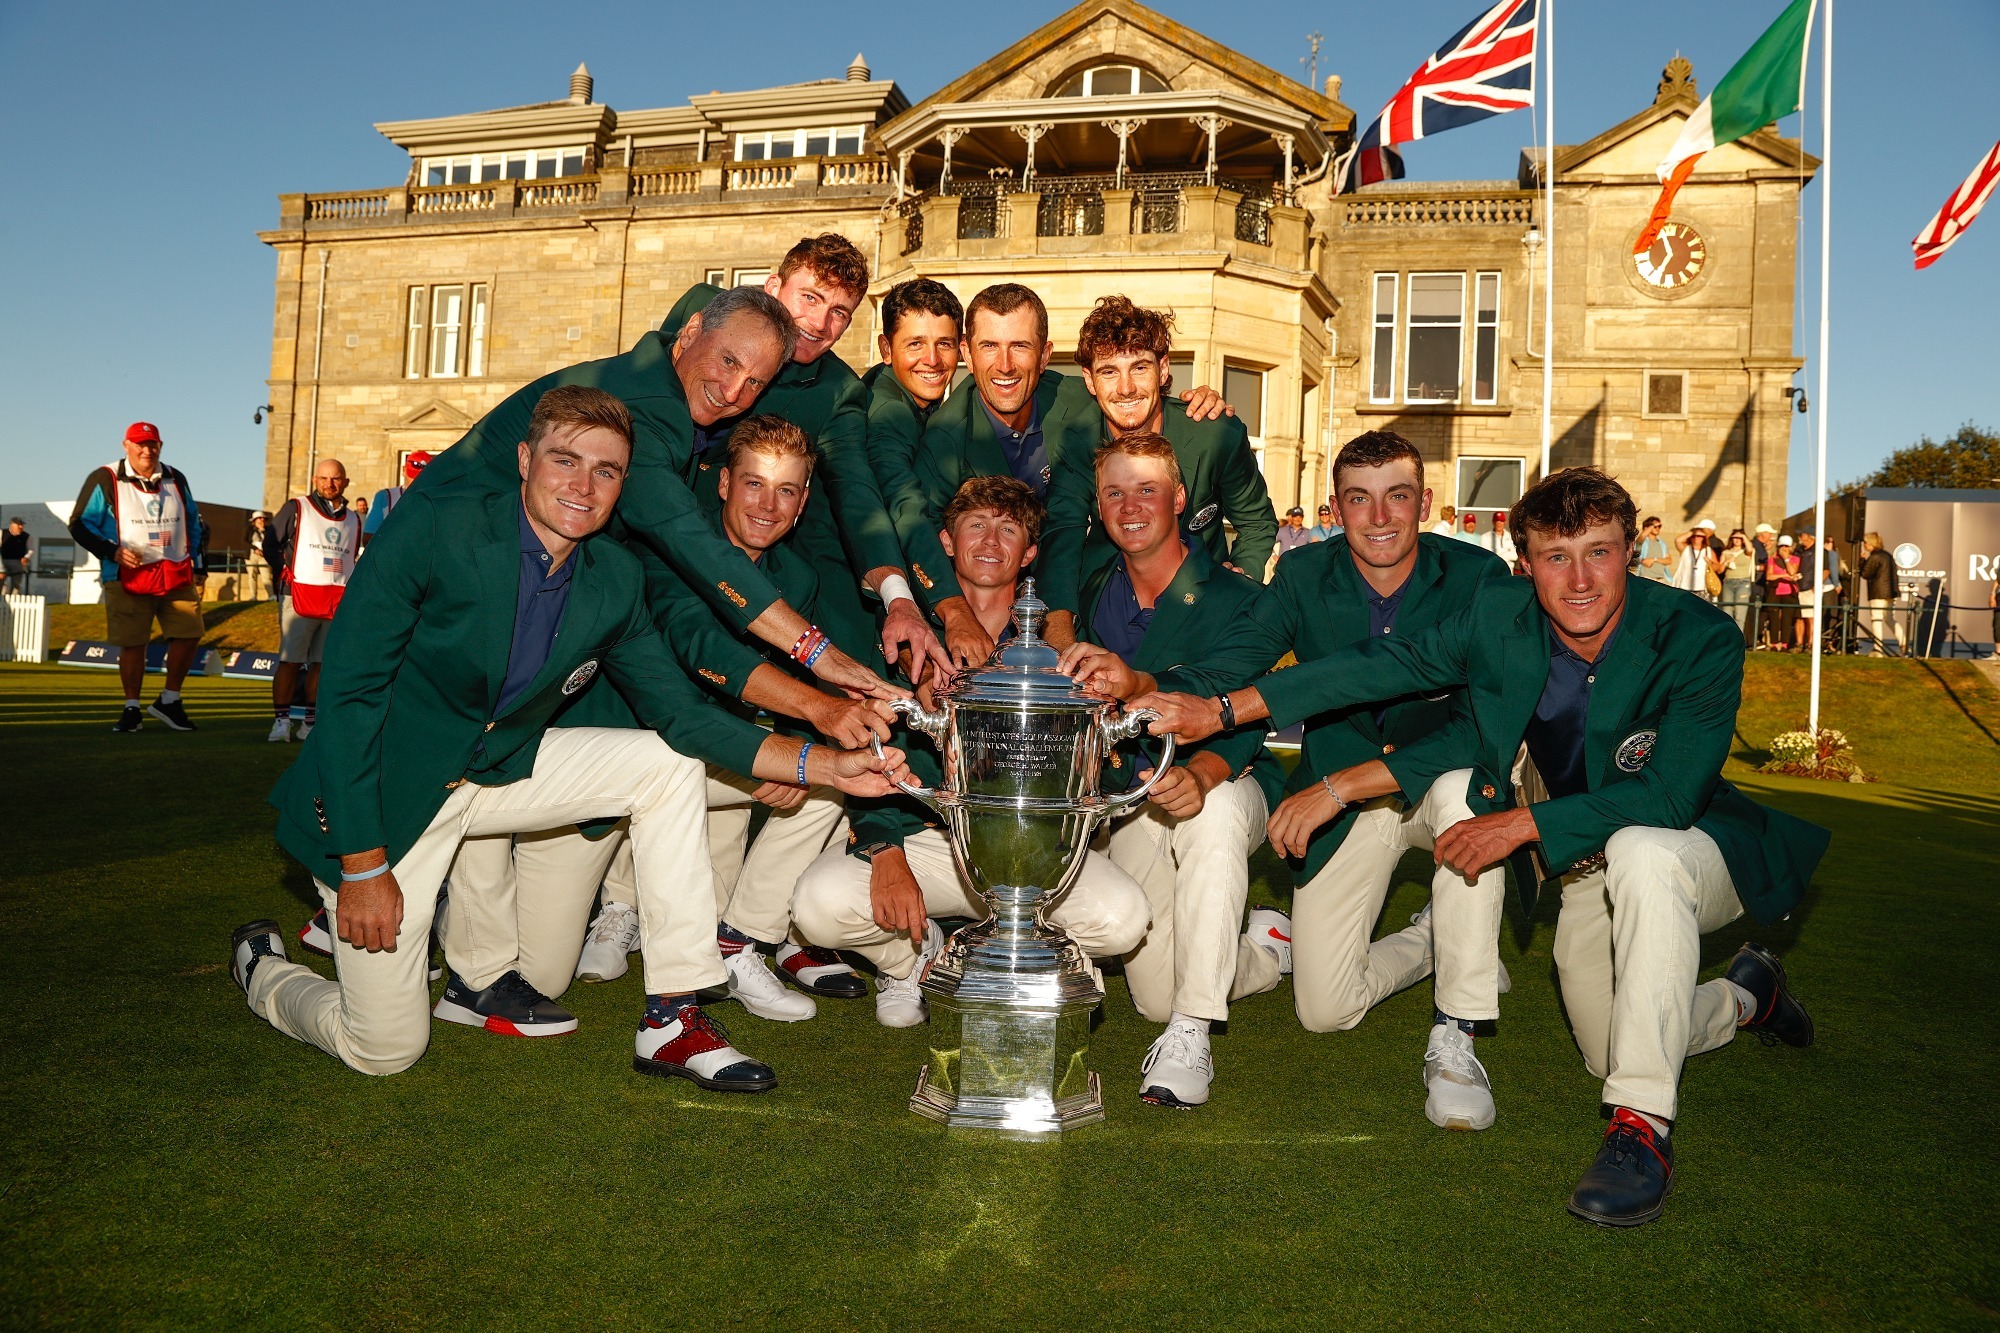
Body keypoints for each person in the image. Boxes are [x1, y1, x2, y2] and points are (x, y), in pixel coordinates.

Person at [1131, 466, 1827, 1227]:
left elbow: (1667, 797)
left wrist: (1521, 825)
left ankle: (1641, 1130)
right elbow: (1380, 666)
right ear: (1524, 561)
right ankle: (1749, 994)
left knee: (1645, 852)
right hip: (1585, 863)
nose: (1581, 578)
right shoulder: (1501, 615)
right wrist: (1224, 708)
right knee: (1608, 1045)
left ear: (1632, 548)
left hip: (1694, 845)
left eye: (1599, 550)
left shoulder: (1699, 635)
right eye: (1556, 556)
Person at [229, 386, 905, 1086]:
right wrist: (365, 865)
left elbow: (682, 717)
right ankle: (265, 971)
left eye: (607, 471)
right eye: (565, 460)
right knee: (386, 1048)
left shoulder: (613, 574)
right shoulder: (437, 526)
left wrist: (826, 765)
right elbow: (348, 697)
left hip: (495, 772)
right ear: (525, 459)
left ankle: (671, 1016)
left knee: (664, 765)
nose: (584, 485)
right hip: (384, 798)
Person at [1074, 429, 1512, 1129]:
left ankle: (1457, 1029)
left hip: (1425, 780)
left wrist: (1339, 784)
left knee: (1467, 791)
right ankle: (1435, 940)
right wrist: (1148, 682)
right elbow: (1237, 661)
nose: (1379, 517)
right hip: (1346, 804)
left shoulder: (1481, 580)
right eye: (1359, 500)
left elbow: (1485, 728)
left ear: (1425, 502)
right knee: (1325, 1007)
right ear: (1334, 509)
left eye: (1397, 497)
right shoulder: (1305, 576)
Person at [412, 283, 902, 709]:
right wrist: (816, 652)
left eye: (754, 381)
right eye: (728, 361)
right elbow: (686, 535)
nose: (733, 392)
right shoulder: (649, 409)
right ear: (690, 332)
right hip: (443, 584)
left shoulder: (658, 387)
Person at [792, 476, 1151, 1029]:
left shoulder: (1053, 648)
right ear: (946, 542)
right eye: (975, 526)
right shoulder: (905, 633)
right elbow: (868, 748)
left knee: (1124, 920)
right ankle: (914, 958)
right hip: (927, 839)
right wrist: (885, 852)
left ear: (1029, 553)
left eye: (1008, 530)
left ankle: (1019, 966)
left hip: (1029, 849)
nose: (989, 542)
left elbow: (1102, 758)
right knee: (818, 905)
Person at [1054, 432, 1289, 1107]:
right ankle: (1265, 950)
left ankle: (1193, 1034)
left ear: (1180, 498)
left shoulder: (1237, 595)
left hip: (1228, 772)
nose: (1131, 506)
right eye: (1115, 492)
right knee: (1155, 993)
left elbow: (1239, 694)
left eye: (1147, 488)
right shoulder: (1092, 587)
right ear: (1098, 507)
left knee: (1211, 815)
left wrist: (1208, 769)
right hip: (1134, 792)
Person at [657, 237, 952, 684]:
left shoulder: (839, 391)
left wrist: (898, 599)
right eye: (810, 298)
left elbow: (857, 495)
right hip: (647, 527)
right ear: (774, 285)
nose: (818, 322)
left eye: (839, 312)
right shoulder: (706, 310)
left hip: (743, 562)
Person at [1072, 295, 1277, 582]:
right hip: (1108, 601)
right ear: (1089, 380)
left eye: (1140, 368)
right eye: (1109, 372)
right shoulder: (1072, 441)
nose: (1126, 388)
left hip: (1201, 601)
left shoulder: (1214, 435)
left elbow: (1256, 521)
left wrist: (1239, 577)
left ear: (1164, 368)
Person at [863, 278, 995, 668]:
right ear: (887, 348)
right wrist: (954, 610)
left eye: (945, 343)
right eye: (915, 343)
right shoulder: (889, 412)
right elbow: (906, 509)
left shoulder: (920, 404)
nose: (933, 360)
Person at [67, 422, 207, 732]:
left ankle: (169, 700)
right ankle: (131, 707)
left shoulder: (175, 476)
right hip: (125, 573)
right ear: (126, 445)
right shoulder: (105, 477)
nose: (147, 450)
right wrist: (111, 551)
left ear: (161, 445)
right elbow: (78, 524)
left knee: (189, 632)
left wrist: (197, 563)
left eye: (152, 444)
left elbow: (193, 521)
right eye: (140, 444)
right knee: (133, 643)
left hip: (174, 570)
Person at [262, 459, 359, 742]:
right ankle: (281, 721)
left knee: (322, 664)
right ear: (315, 480)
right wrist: (282, 571)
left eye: (336, 478)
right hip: (299, 595)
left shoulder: (353, 518)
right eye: (324, 478)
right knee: (289, 661)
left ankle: (310, 723)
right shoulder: (297, 507)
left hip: (335, 600)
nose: (330, 484)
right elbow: (271, 543)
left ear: (345, 481)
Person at [1857, 533, 1903, 656]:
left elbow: (1865, 574)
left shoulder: (1875, 556)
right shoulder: (1888, 555)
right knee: (1890, 619)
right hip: (1890, 592)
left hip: (1878, 592)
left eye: (1865, 542)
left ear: (1871, 543)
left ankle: (1878, 649)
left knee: (1876, 619)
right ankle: (1903, 642)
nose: (1864, 545)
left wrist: (1862, 561)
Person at [1763, 535, 1802, 650]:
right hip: (1775, 591)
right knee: (1774, 618)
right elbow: (1769, 576)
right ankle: (1774, 643)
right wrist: (1784, 575)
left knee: (1787, 618)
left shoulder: (1795, 559)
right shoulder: (1772, 559)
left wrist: (1786, 559)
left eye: (1786, 546)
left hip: (1789, 592)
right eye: (1782, 546)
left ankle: (1785, 643)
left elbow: (1793, 571)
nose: (1784, 548)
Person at [1718, 529, 1757, 633]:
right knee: (1727, 612)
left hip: (1743, 582)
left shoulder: (1746, 552)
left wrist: (1743, 536)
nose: (1737, 540)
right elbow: (1719, 569)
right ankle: (1727, 637)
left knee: (1740, 612)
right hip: (1728, 582)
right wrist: (1726, 562)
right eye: (1735, 537)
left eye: (1739, 538)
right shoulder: (1726, 552)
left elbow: (1750, 548)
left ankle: (1738, 638)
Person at [1670, 520, 1720, 601]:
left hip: (1701, 588)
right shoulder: (1685, 548)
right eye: (1694, 536)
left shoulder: (1708, 550)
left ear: (1704, 538)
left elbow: (1717, 566)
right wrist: (1694, 530)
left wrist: (1709, 563)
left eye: (1700, 536)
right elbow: (1678, 540)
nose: (1696, 538)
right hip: (1684, 586)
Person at [1633, 515, 1671, 582]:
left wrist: (1654, 559)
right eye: (1655, 526)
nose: (1657, 528)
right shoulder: (1642, 542)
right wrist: (1652, 525)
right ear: (1646, 528)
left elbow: (1669, 560)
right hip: (1645, 578)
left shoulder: (1662, 543)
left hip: (1661, 579)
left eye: (1659, 526)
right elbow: (1642, 536)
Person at [1, 518, 31, 595]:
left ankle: (13, 598)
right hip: (2, 561)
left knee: (16, 582)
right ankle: (2, 597)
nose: (21, 527)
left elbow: (31, 549)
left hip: (17, 561)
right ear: (12, 525)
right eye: (19, 525)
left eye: (22, 525)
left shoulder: (26, 536)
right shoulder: (2, 533)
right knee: (2, 581)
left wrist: (26, 557)